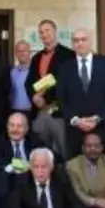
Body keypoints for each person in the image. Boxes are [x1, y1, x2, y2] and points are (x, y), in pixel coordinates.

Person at [56, 29, 105, 158]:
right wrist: (76, 120)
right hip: (75, 132)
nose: (80, 43)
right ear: (72, 44)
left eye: (83, 39)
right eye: (76, 40)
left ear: (90, 42)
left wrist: (97, 118)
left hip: (104, 129)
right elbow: (60, 99)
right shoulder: (64, 67)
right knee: (78, 174)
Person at [25, 20, 74, 159]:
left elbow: (66, 83)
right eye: (41, 32)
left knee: (64, 151)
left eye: (47, 30)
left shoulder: (69, 55)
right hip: (40, 112)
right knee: (40, 151)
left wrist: (44, 98)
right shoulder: (36, 57)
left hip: (59, 112)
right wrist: (34, 97)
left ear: (55, 32)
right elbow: (29, 83)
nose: (44, 34)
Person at [0, 112, 45, 190]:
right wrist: (19, 164)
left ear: (27, 129)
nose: (15, 129)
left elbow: (51, 156)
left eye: (19, 126)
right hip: (9, 183)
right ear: (7, 127)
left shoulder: (34, 140)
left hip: (31, 183)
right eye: (12, 125)